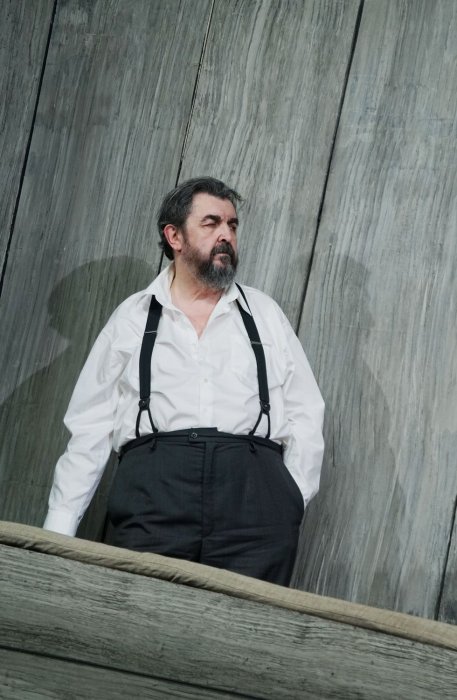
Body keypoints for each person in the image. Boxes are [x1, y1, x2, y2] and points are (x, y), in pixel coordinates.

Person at [43, 176, 325, 585]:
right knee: (140, 616)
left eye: (232, 225)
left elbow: (306, 411)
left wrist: (289, 498)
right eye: (211, 223)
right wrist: (59, 530)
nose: (226, 235)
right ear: (174, 236)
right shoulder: (132, 317)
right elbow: (90, 427)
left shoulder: (265, 314)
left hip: (254, 507)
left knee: (246, 624)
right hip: (153, 498)